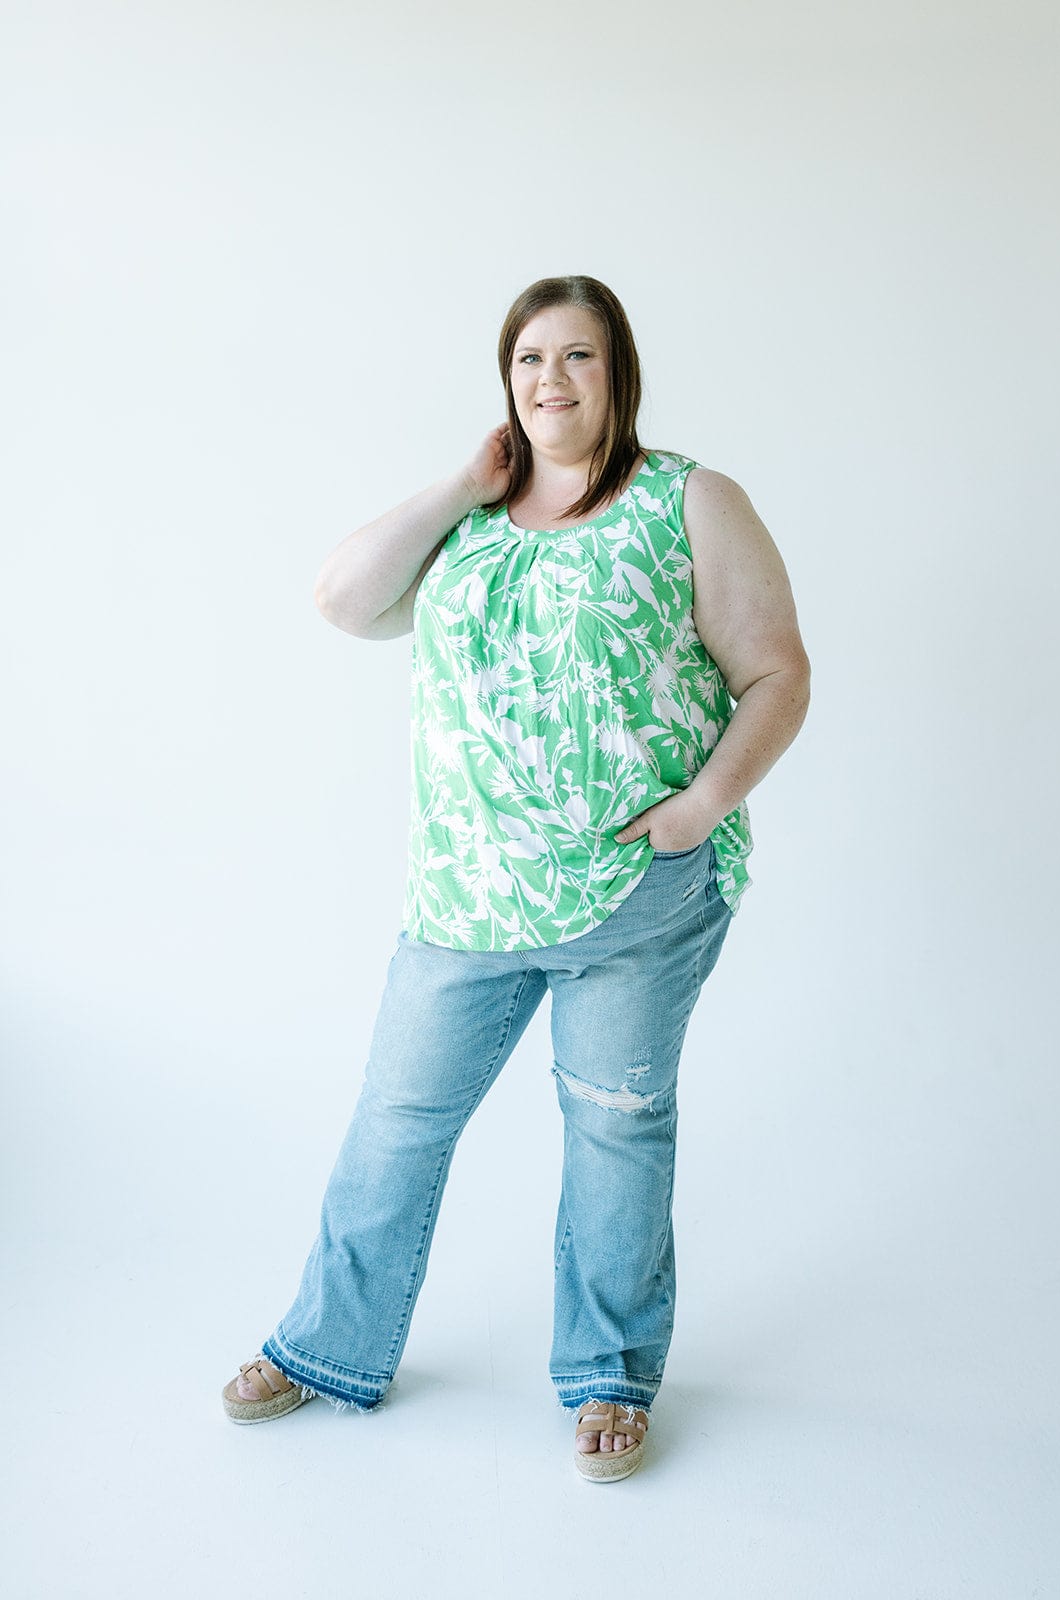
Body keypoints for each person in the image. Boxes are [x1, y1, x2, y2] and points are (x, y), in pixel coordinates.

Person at [221, 274, 811, 1482]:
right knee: (395, 1121)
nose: (551, 378)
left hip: (631, 899)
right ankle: (330, 1344)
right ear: (505, 383)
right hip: (466, 898)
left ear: (618, 374)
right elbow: (340, 599)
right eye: (529, 358)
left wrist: (701, 805)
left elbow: (776, 671)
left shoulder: (687, 500)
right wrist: (459, 481)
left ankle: (608, 1375)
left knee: (613, 1132)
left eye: (578, 357)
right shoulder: (471, 526)